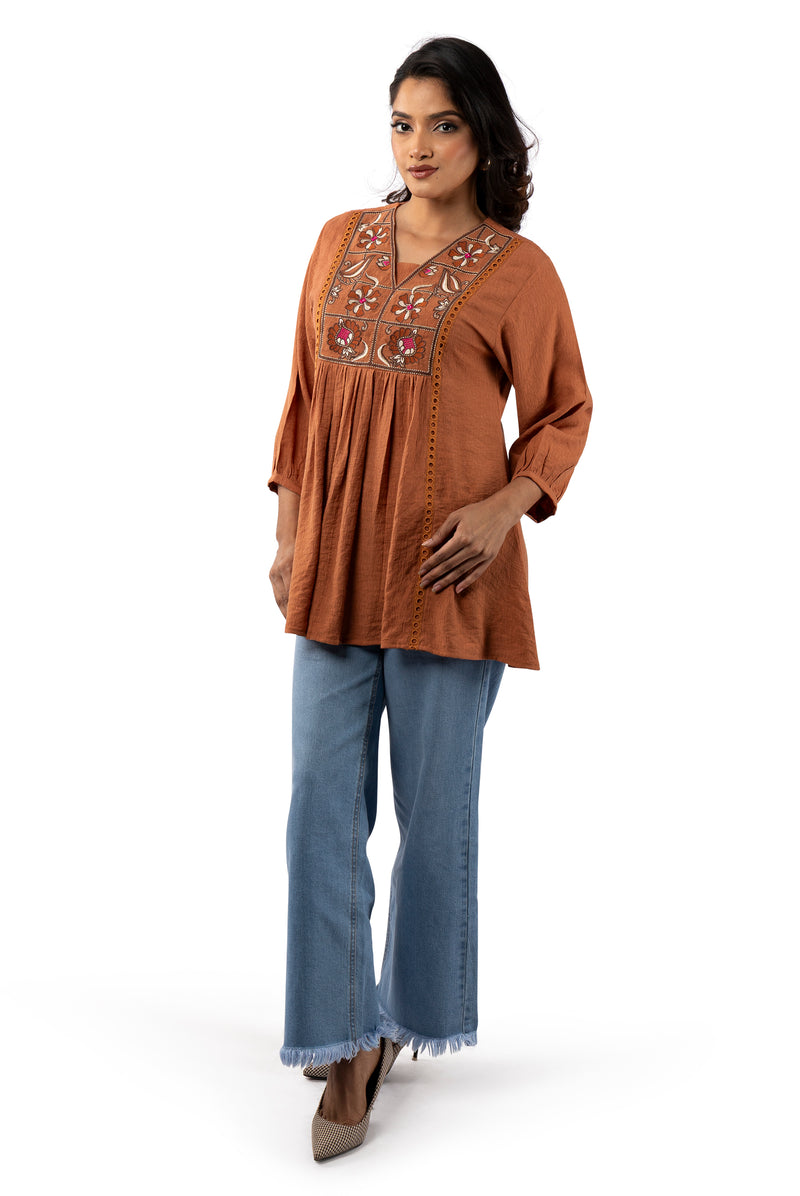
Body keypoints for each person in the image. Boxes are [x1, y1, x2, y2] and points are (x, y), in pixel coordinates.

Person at [267, 36, 593, 1161]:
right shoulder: (336, 241)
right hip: (333, 564)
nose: (418, 146)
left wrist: (505, 508)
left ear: (482, 135)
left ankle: (399, 1018)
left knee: (434, 814)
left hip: (448, 574)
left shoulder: (518, 270)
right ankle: (337, 1037)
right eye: (402, 124)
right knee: (319, 804)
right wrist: (287, 537)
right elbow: (303, 402)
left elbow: (564, 412)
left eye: (442, 124)